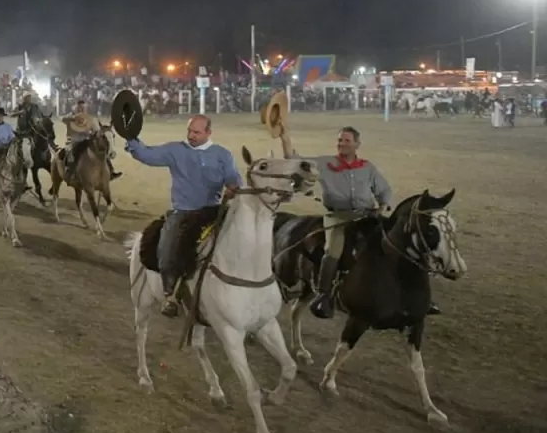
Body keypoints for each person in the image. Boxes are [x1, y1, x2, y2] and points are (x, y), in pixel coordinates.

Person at [276, 123, 433, 319]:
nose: (341, 144)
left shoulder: (367, 167)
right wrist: (285, 138)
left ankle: (416, 293)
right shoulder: (325, 164)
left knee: (400, 242)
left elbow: (383, 189)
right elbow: (294, 160)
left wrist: (383, 204)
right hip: (338, 217)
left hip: (367, 215)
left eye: (346, 140)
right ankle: (324, 296)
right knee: (332, 250)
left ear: (357, 144)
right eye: (340, 140)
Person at [123, 115, 241, 317]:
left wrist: (233, 188)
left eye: (196, 132)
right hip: (184, 212)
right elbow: (147, 155)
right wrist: (130, 137)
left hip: (214, 210)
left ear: (208, 133)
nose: (191, 136)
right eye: (189, 131)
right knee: (168, 244)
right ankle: (170, 294)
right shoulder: (175, 150)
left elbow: (233, 179)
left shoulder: (223, 155)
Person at [61, 99, 121, 180]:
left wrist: (97, 132)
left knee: (101, 151)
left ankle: (111, 171)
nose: (82, 109)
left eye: (83, 108)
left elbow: (96, 130)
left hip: (87, 140)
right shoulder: (71, 116)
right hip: (75, 140)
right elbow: (63, 119)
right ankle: (70, 171)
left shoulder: (88, 118)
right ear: (76, 107)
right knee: (71, 153)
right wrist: (74, 118)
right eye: (80, 107)